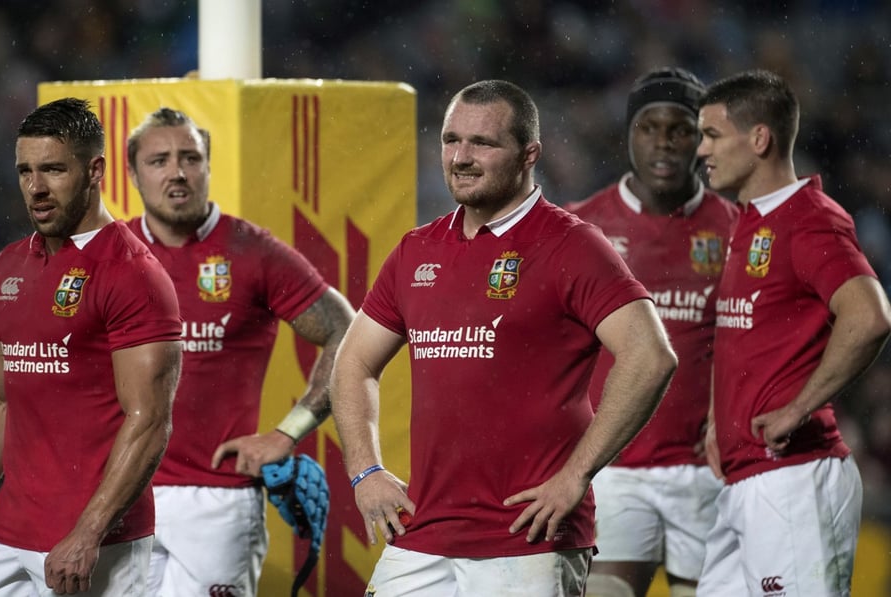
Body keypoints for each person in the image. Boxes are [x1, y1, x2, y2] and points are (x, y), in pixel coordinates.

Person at [329, 79, 678, 596]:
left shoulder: (571, 245)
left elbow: (650, 357)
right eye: (451, 140)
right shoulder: (415, 251)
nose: (461, 157)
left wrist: (576, 476)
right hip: (421, 535)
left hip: (529, 541)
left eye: (483, 143)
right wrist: (365, 472)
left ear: (529, 154)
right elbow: (352, 364)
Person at [0, 97, 184, 595]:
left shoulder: (133, 274)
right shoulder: (8, 267)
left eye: (52, 169)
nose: (36, 188)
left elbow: (150, 421)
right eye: (25, 171)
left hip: (96, 544)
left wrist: (88, 534)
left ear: (95, 170)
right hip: (8, 538)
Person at [123, 107, 355, 596]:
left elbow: (346, 333)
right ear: (134, 174)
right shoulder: (110, 254)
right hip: (119, 496)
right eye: (159, 160)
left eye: (191, 157)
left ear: (208, 166)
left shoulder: (252, 251)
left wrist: (289, 432)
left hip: (218, 502)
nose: (178, 171)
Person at [696, 69, 891, 595]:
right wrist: (720, 418)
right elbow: (746, 335)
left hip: (795, 478)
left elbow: (870, 315)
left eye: (712, 135)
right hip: (742, 480)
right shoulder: (748, 223)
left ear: (759, 138)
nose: (702, 150)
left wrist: (798, 407)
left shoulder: (808, 218)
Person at [565, 67, 737, 597]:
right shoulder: (582, 227)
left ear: (702, 140)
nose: (664, 142)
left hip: (708, 469)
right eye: (648, 127)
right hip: (615, 468)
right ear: (628, 136)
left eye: (680, 129)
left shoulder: (738, 229)